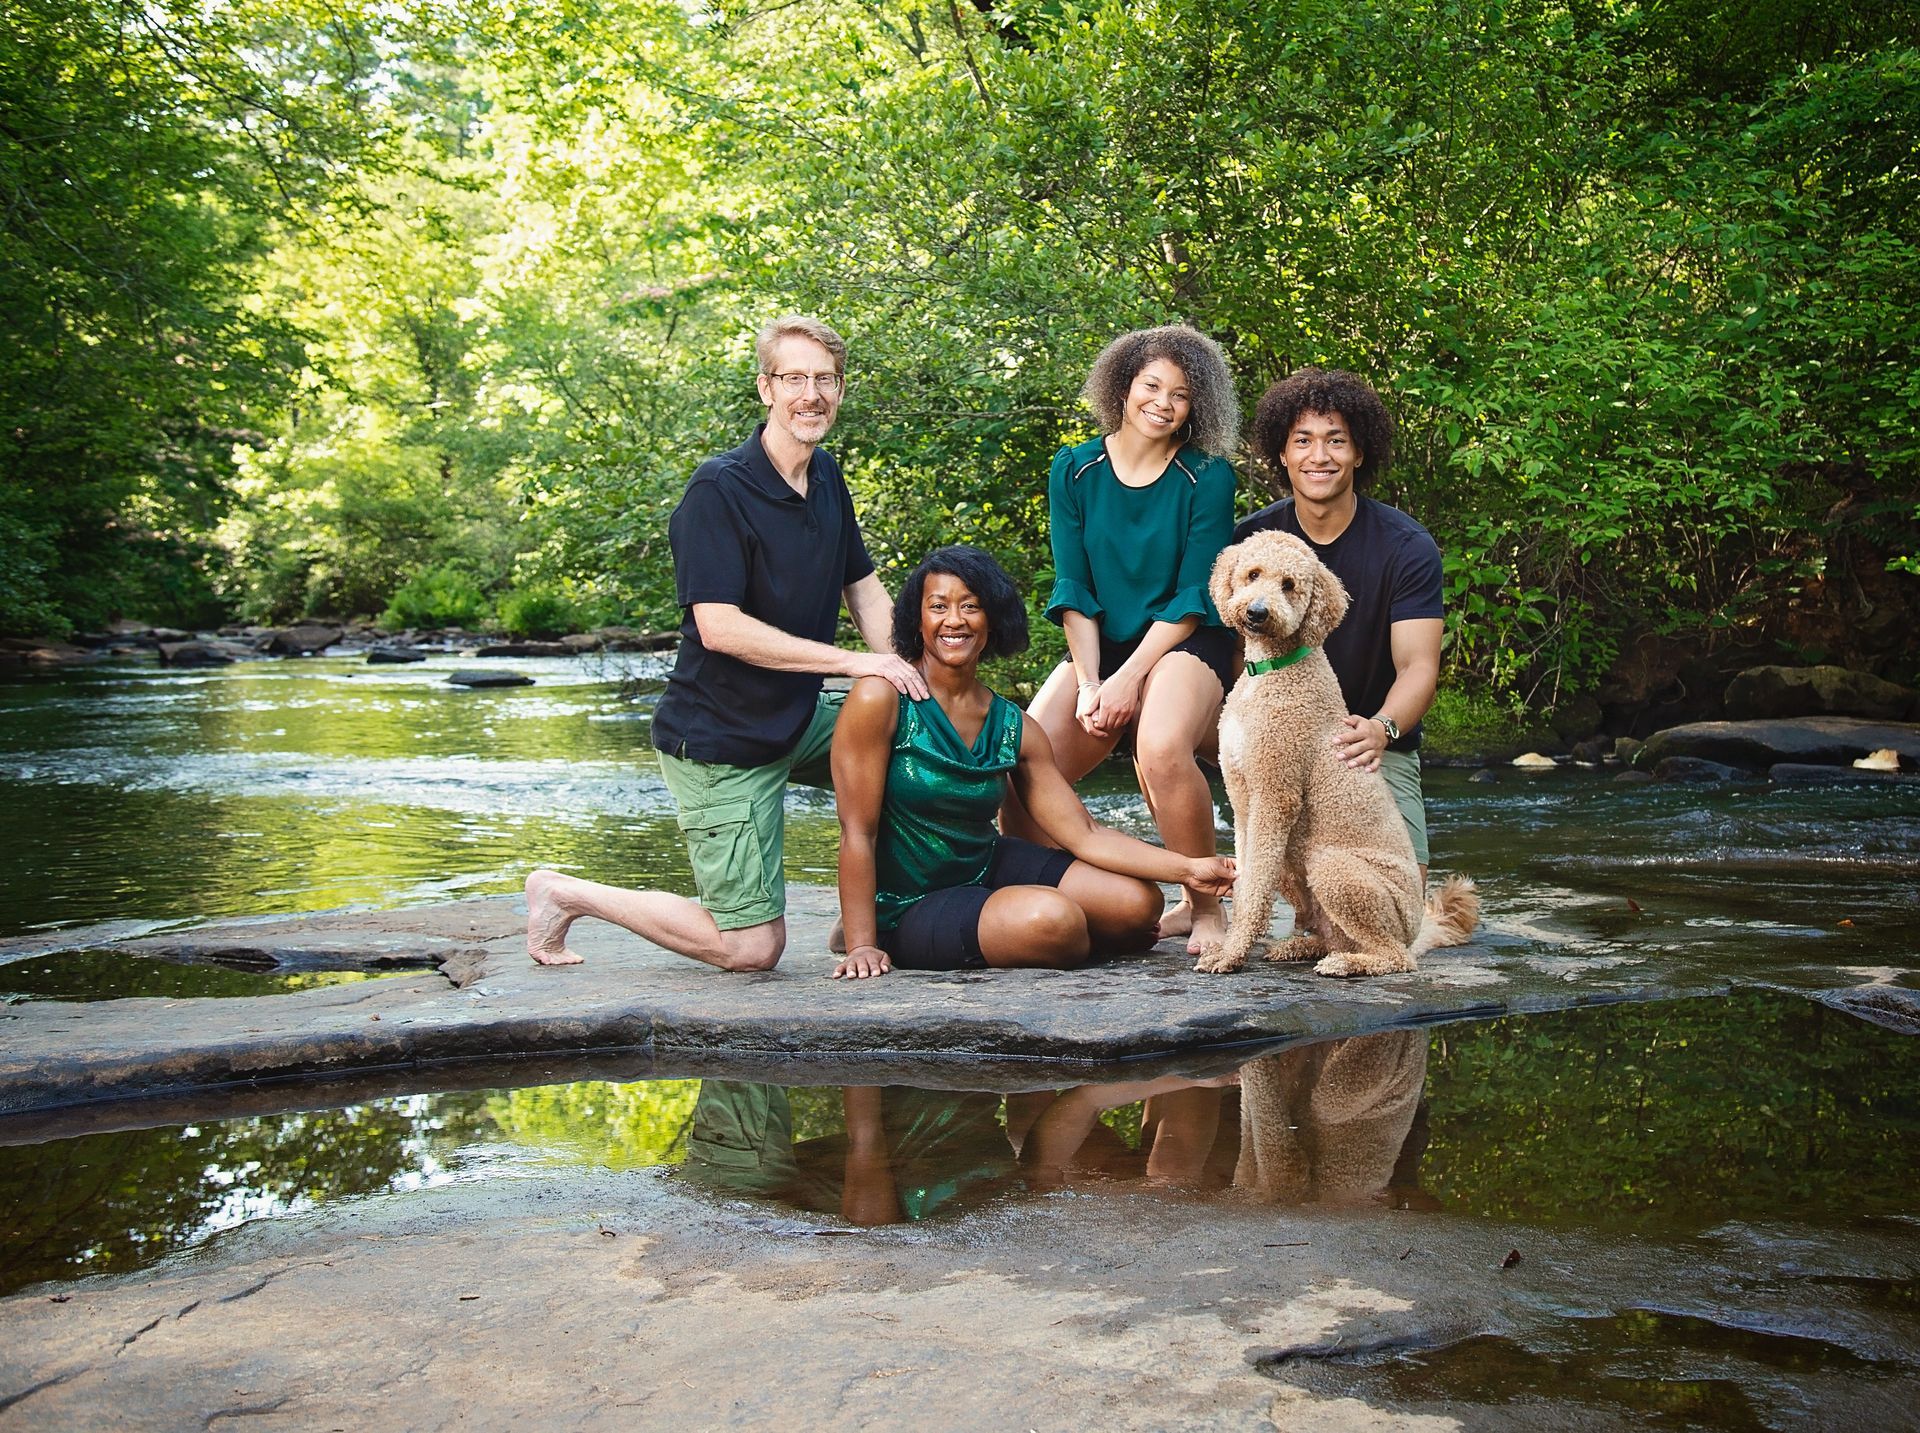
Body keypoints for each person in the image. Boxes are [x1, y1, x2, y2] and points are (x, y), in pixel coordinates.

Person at [524, 316, 927, 971]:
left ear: (841, 390)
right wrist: (857, 663)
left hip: (796, 718)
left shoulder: (826, 477)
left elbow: (864, 592)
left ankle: (873, 911)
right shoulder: (718, 489)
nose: (811, 394)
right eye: (794, 378)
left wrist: (916, 678)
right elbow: (720, 627)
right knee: (752, 948)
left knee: (928, 739)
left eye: (825, 380)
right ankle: (565, 892)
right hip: (722, 742)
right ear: (766, 388)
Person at [831, 545, 1236, 979]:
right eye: (939, 606)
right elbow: (858, 831)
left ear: (993, 619)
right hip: (907, 900)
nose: (955, 620)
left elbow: (1085, 834)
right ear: (917, 619)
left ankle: (1052, 930)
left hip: (984, 864)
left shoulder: (1013, 724)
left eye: (971, 606)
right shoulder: (880, 698)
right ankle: (1047, 933)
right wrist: (862, 944)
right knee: (1053, 921)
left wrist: (1190, 869)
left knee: (1138, 904)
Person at [1001, 325, 1241, 955]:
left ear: (1197, 406)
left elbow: (1194, 595)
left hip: (1186, 640)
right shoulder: (1074, 468)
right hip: (1099, 646)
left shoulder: (1207, 476)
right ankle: (1063, 898)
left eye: (1181, 395)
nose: (1163, 403)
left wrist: (1128, 679)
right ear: (1123, 386)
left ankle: (1204, 905)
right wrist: (1089, 684)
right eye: (1151, 386)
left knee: (1159, 748)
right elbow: (1074, 587)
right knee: (1020, 769)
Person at [1232, 367, 1444, 880]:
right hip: (1278, 745)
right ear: (1283, 454)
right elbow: (1233, 655)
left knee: (1397, 900)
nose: (1319, 456)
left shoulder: (1406, 547)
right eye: (1302, 440)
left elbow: (1418, 667)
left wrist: (1381, 728)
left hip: (1367, 748)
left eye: (1336, 440)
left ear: (1359, 452)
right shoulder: (1253, 539)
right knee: (1283, 894)